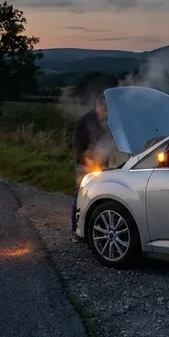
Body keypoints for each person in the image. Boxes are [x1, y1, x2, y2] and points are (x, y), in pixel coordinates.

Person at [70, 93, 114, 241]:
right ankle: (76, 232)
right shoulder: (84, 120)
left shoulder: (109, 122)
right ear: (98, 104)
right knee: (81, 196)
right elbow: (77, 145)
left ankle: (96, 229)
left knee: (100, 197)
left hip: (103, 165)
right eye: (104, 107)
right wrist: (88, 163)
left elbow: (110, 144)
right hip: (84, 165)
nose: (106, 111)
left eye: (108, 108)